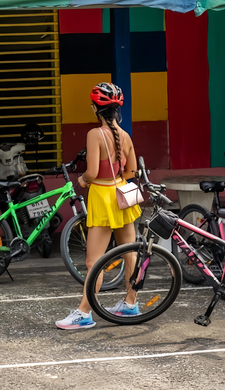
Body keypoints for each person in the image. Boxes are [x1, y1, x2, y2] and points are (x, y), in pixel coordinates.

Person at [56, 82, 142, 330]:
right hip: (122, 198)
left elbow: (92, 172)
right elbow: (131, 171)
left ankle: (84, 312)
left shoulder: (95, 134)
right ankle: (131, 303)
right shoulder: (125, 135)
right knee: (130, 253)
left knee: (93, 262)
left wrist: (82, 180)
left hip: (102, 198)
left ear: (95, 108)